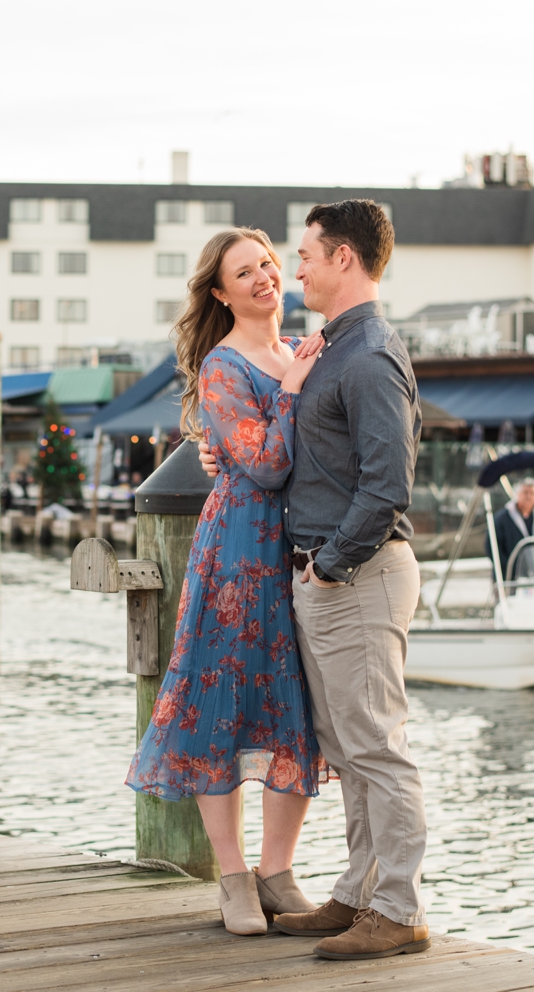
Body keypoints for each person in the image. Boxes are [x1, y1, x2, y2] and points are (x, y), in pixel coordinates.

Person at [200, 199, 428, 961]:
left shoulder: (366, 355)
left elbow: (386, 484)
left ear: (343, 260)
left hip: (353, 575)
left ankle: (396, 907)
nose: (289, 267)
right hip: (322, 577)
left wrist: (329, 566)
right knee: (351, 745)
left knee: (377, 745)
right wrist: (215, 452)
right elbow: (275, 437)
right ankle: (361, 892)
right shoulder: (327, 348)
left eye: (301, 254)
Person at [125, 227, 328, 937]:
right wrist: (293, 392)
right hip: (237, 553)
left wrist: (298, 386)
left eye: (269, 263)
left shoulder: (303, 351)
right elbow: (268, 464)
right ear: (221, 292)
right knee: (222, 708)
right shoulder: (224, 366)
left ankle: (279, 871)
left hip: (298, 551)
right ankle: (233, 875)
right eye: (245, 272)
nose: (265, 277)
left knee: (293, 712)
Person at [491, 477, 534, 582]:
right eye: (525, 492)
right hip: (507, 577)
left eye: (532, 493)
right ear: (518, 494)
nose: (528, 496)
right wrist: (506, 567)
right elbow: (492, 546)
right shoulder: (502, 518)